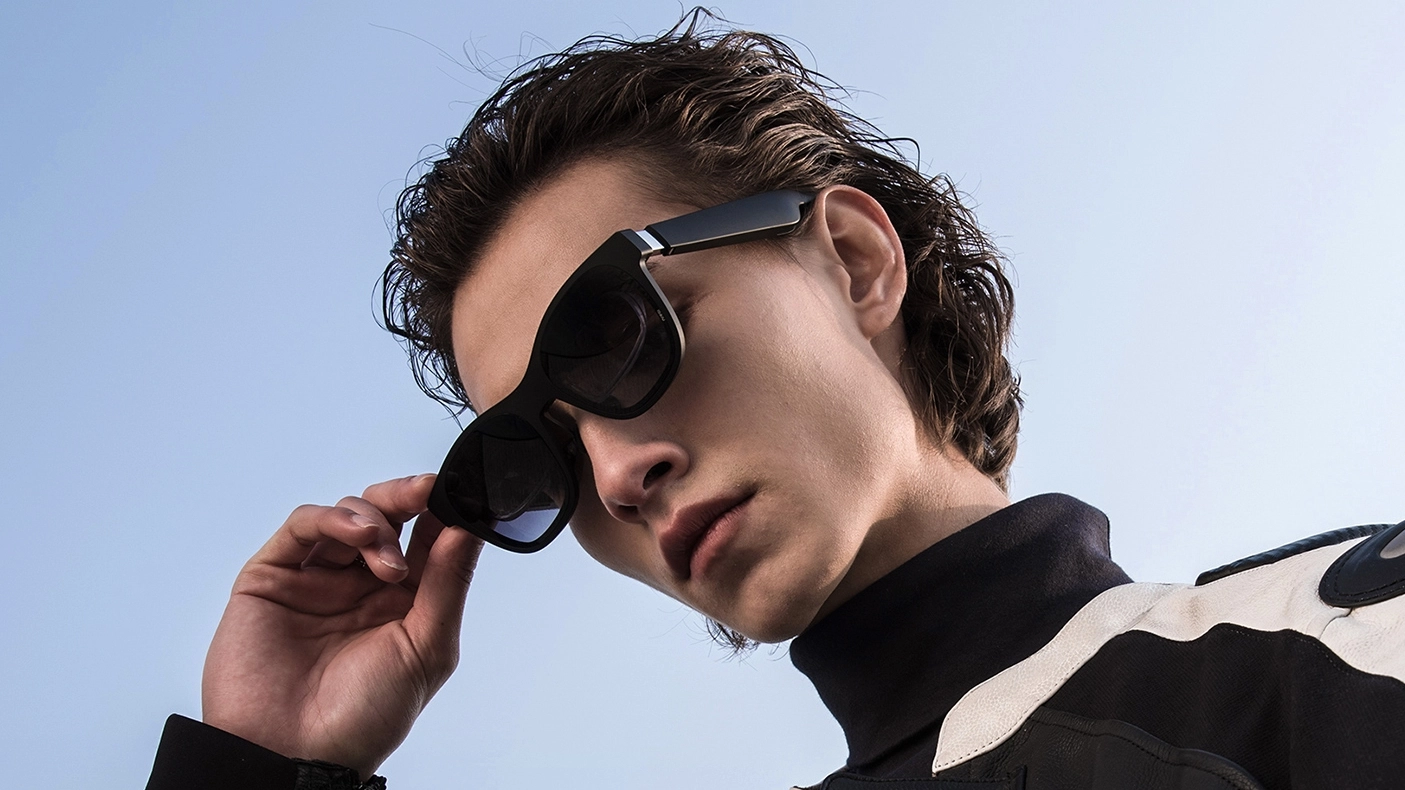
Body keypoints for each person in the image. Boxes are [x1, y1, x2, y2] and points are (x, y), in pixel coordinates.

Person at [145, 14, 1405, 790]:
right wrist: (265, 768)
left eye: (617, 335)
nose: (617, 476)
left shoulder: (1331, 644)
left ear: (851, 259)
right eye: (541, 459)